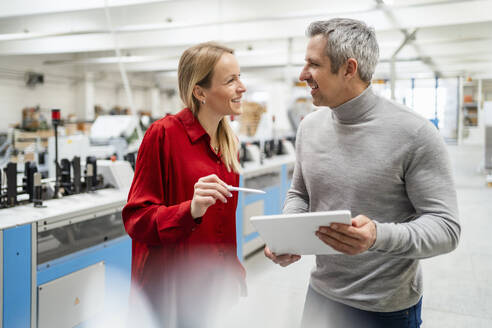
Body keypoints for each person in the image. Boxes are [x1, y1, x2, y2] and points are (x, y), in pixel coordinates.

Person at [264, 18, 460, 328]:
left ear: (348, 68)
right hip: (321, 296)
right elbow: (299, 193)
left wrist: (377, 237)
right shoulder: (309, 128)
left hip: (385, 309)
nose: (303, 75)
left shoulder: (415, 133)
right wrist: (289, 236)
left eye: (313, 64)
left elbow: (446, 228)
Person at [122, 42, 247, 327]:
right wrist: (189, 210)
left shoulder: (230, 146)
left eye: (240, 76)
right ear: (199, 92)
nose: (242, 87)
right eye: (231, 80)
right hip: (171, 291)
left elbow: (224, 225)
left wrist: (232, 267)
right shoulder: (163, 135)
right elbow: (136, 219)